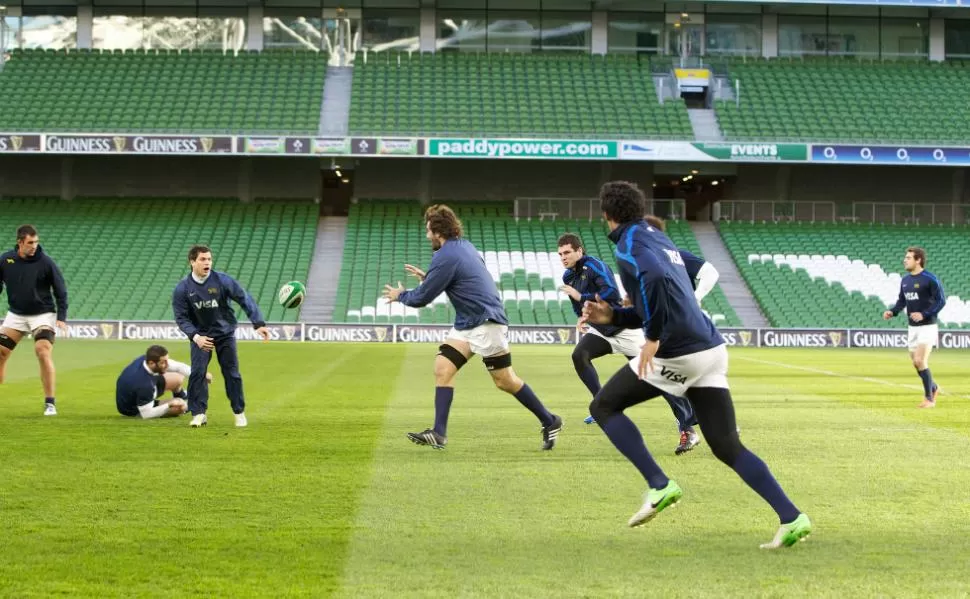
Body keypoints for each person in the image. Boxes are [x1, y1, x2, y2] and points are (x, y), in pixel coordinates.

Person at [580, 181, 810, 549]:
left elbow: (654, 284)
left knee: (604, 406)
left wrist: (652, 337)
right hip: (711, 349)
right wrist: (612, 316)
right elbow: (653, 300)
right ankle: (792, 516)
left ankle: (659, 484)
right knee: (726, 445)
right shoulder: (657, 237)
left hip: (680, 351)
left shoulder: (629, 244)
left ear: (606, 215)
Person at [382, 204, 562, 450]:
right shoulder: (464, 248)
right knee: (443, 367)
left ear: (438, 231)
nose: (426, 236)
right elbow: (463, 280)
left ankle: (549, 420)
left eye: (428, 230)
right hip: (471, 321)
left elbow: (421, 299)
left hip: (484, 323)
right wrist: (428, 279)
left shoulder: (445, 256)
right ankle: (439, 433)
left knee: (504, 380)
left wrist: (401, 295)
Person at [558, 233, 700, 455]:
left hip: (625, 329)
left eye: (567, 252)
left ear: (579, 251)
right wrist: (582, 315)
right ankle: (601, 404)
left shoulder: (595, 265)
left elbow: (611, 293)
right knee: (580, 355)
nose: (563, 257)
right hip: (603, 330)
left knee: (659, 379)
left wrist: (579, 295)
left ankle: (689, 428)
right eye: (560, 254)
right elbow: (581, 305)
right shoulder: (568, 276)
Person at [172, 245, 269, 428]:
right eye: (203, 259)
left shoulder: (223, 281)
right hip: (201, 337)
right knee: (198, 373)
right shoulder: (183, 289)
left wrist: (258, 323)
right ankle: (199, 413)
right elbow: (181, 318)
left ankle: (238, 412)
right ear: (192, 262)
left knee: (232, 374)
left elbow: (244, 298)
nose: (207, 262)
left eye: (209, 259)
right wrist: (195, 337)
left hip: (225, 334)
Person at [0, 224, 69, 416]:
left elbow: (61, 291)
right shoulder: (6, 260)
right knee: (1, 353)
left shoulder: (46, 262)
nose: (34, 246)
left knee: (42, 350)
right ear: (20, 242)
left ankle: (50, 403)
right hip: (16, 315)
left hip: (42, 314)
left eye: (36, 242)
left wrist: (61, 317)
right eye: (30, 242)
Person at [882, 246, 946, 408]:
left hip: (927, 326)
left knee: (920, 360)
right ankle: (934, 387)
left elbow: (941, 301)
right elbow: (902, 301)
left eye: (908, 257)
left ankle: (929, 399)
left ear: (918, 260)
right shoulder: (905, 280)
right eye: (905, 257)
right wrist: (892, 311)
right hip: (912, 328)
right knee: (916, 363)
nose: (905, 260)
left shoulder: (930, 279)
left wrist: (924, 314)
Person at [115, 344, 213, 419]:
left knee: (178, 378)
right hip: (133, 408)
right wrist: (169, 404)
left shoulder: (146, 360)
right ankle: (187, 403)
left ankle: (182, 395)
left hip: (142, 389)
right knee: (180, 407)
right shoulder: (144, 384)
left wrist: (201, 375)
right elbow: (146, 414)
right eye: (163, 362)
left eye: (167, 360)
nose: (167, 364)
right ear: (151, 363)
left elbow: (179, 367)